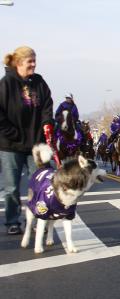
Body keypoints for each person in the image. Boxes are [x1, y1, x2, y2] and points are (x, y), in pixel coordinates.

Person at [0, 46, 54, 235]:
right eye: (30, 61)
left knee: (42, 183)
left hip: (37, 144)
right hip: (11, 144)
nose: (33, 64)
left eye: (34, 60)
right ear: (18, 63)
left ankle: (38, 218)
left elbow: (47, 104)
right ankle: (13, 221)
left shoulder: (38, 81)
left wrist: (47, 122)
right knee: (12, 187)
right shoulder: (6, 83)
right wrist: (13, 133)